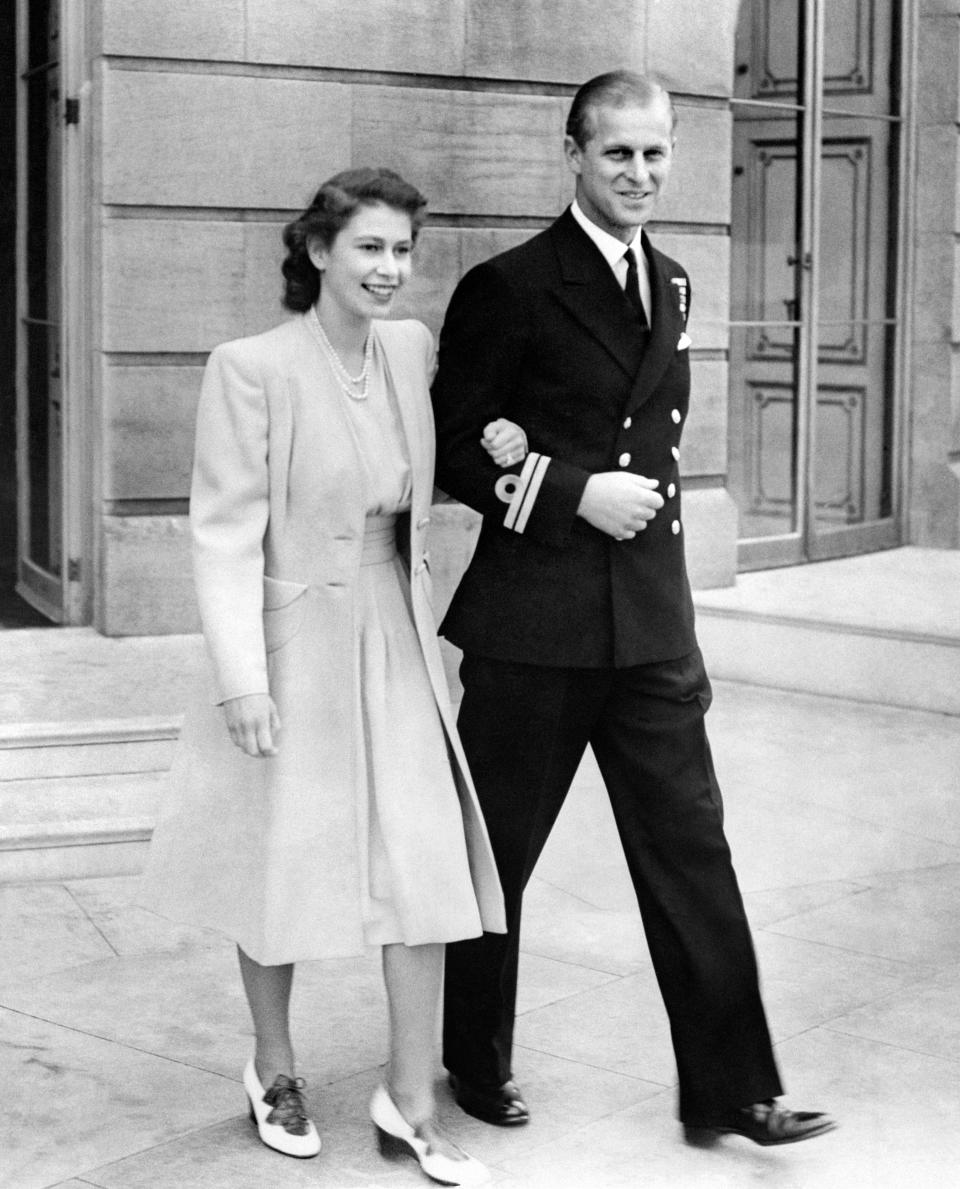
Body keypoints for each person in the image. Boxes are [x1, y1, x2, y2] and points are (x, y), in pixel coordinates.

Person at [431, 72, 836, 1147]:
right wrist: (570, 492)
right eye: (619, 154)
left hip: (649, 627)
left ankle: (737, 1090)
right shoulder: (510, 286)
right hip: (533, 631)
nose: (641, 175)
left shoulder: (678, 283)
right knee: (497, 853)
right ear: (573, 154)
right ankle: (474, 1058)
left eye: (656, 155)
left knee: (693, 849)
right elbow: (454, 447)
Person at [139, 167, 525, 1186]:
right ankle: (272, 1068)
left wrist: (505, 437)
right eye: (369, 247)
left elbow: (472, 429)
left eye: (402, 249)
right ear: (317, 252)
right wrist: (240, 679)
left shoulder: (410, 349)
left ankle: (410, 1096)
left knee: (424, 866)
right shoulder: (250, 367)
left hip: (393, 630)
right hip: (290, 641)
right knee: (281, 861)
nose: (390, 269)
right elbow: (223, 532)